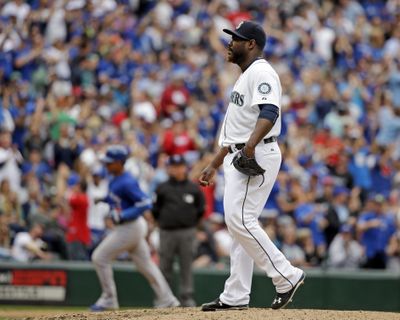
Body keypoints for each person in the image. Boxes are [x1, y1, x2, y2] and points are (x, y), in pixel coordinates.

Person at [199, 21, 305, 311]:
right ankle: (235, 296)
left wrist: (248, 148)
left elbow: (270, 112)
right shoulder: (246, 75)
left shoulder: (261, 71)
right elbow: (236, 127)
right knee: (239, 226)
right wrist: (214, 163)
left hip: (256, 152)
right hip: (240, 153)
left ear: (251, 44)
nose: (230, 42)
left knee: (239, 219)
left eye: (237, 39)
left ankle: (286, 276)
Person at [90, 145, 180, 311]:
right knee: (146, 265)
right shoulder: (115, 178)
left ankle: (109, 298)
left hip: (130, 227)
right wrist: (103, 200)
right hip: (131, 228)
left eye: (110, 162)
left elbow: (145, 202)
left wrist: (123, 215)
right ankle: (167, 299)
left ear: (119, 162)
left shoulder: (127, 181)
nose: (106, 165)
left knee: (99, 257)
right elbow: (119, 199)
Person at [152, 154, 205, 307]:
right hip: (167, 232)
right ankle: (163, 298)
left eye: (178, 166)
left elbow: (200, 210)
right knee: (164, 266)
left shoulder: (193, 188)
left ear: (184, 167)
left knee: (186, 266)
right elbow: (156, 209)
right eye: (172, 166)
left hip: (187, 232)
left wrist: (192, 225)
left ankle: (186, 298)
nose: (175, 169)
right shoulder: (162, 188)